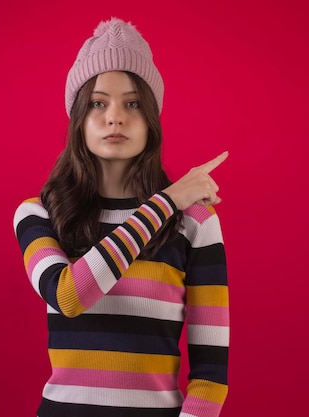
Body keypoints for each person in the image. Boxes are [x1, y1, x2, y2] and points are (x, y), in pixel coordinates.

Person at [13, 17, 229, 417]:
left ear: (152, 118)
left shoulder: (196, 221)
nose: (115, 117)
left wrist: (172, 204)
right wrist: (165, 202)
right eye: (98, 103)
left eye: (132, 103)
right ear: (78, 118)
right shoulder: (38, 213)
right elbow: (68, 296)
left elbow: (211, 375)